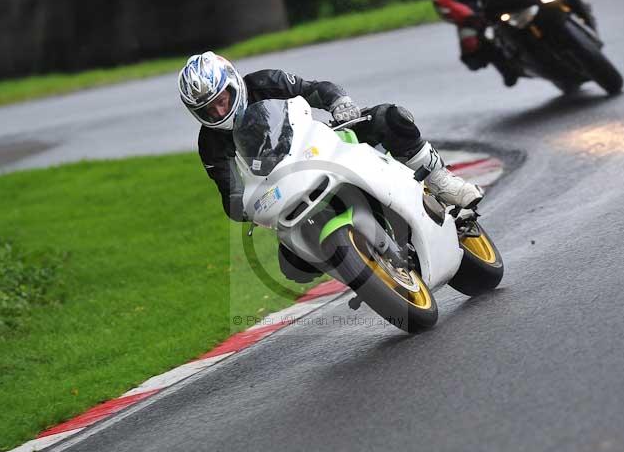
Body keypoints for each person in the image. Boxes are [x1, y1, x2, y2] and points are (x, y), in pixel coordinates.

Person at [178, 51, 483, 281]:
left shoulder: (264, 82)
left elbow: (314, 89)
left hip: (316, 148)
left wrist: (338, 102)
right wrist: (249, 210)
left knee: (389, 117)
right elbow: (229, 194)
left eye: (222, 98)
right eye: (207, 108)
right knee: (293, 268)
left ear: (233, 83)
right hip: (283, 190)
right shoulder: (210, 144)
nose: (218, 110)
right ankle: (361, 267)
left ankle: (441, 181)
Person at [424, 0, 596, 87]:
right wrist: (470, 17)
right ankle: (507, 67)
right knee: (472, 47)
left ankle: (580, 10)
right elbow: (444, 2)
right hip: (479, 7)